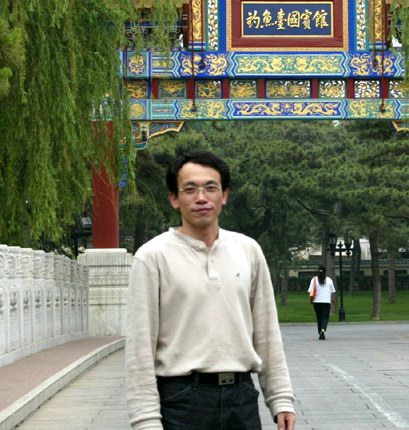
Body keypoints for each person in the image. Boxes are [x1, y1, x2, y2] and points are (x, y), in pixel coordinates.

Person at [126, 150, 296, 430]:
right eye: (190, 189)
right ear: (174, 198)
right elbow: (140, 348)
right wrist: (145, 421)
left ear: (224, 195)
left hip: (241, 398)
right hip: (181, 401)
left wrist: (281, 399)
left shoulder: (248, 250)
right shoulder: (152, 257)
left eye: (210, 188)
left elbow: (267, 332)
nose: (201, 197)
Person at [308, 265, 336, 340]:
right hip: (326, 302)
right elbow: (333, 291)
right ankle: (323, 330)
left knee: (319, 317)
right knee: (325, 317)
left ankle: (320, 333)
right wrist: (333, 300)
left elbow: (310, 291)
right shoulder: (329, 280)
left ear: (318, 271)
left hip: (316, 302)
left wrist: (311, 299)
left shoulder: (314, 279)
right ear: (325, 271)